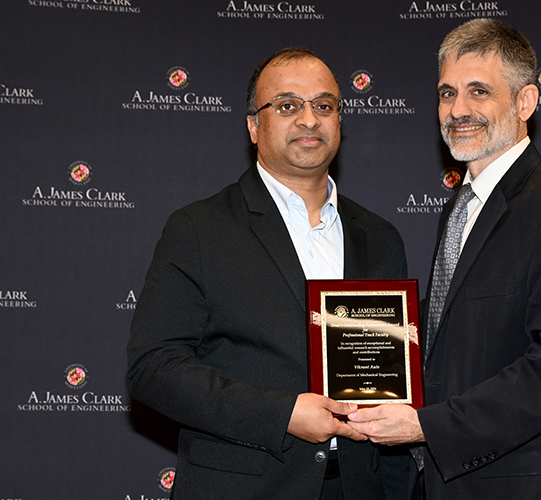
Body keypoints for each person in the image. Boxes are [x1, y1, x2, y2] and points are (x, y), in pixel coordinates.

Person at [127, 47, 407, 500]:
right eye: (287, 105)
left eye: (324, 105)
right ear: (255, 126)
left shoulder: (380, 236)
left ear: (339, 121)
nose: (309, 119)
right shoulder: (199, 228)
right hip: (244, 486)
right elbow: (153, 368)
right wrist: (281, 415)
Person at [347, 19, 541, 499]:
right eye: (447, 93)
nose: (458, 110)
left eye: (479, 91)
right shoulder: (464, 205)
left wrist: (430, 427)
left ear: (525, 101)